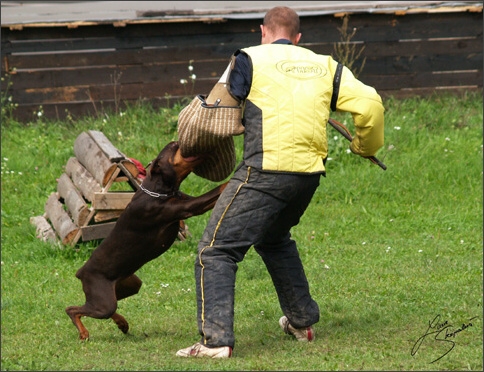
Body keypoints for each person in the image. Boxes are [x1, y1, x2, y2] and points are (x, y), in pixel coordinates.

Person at [176, 6, 384, 358]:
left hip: (264, 172)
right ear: (298, 38)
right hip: (307, 176)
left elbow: (212, 114)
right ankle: (301, 322)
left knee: (216, 250)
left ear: (263, 32)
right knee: (274, 238)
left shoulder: (247, 59)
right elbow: (370, 104)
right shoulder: (326, 65)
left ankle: (216, 341)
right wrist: (363, 145)